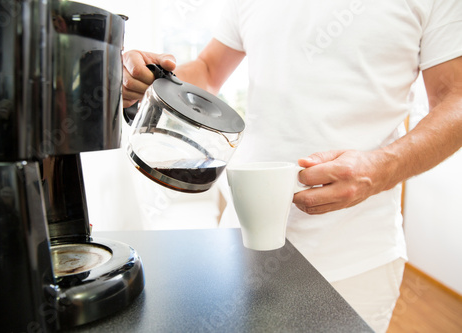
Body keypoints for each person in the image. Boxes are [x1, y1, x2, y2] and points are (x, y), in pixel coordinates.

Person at [122, 1, 462, 332]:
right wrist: (151, 80)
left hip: (355, 257)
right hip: (238, 246)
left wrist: (380, 169)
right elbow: (209, 69)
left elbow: (456, 98)